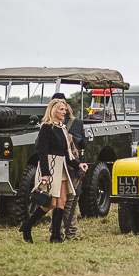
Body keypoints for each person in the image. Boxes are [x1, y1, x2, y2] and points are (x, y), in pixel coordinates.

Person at [19, 99, 88, 243]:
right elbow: (42, 151)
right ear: (53, 110)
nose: (65, 112)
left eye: (65, 109)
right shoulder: (47, 127)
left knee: (62, 201)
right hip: (50, 167)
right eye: (61, 109)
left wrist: (78, 165)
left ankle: (55, 236)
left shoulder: (62, 128)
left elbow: (67, 154)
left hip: (61, 167)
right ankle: (27, 226)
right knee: (50, 202)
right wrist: (45, 173)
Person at [59, 101, 85, 241]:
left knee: (59, 202)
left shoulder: (48, 125)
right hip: (70, 167)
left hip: (61, 167)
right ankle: (70, 233)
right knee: (70, 202)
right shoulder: (77, 123)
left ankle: (57, 232)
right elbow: (83, 143)